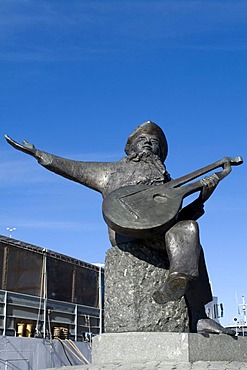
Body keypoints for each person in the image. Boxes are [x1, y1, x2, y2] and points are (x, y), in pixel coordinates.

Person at [5, 121, 234, 334]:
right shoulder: (110, 172)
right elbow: (72, 167)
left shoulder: (167, 182)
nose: (148, 142)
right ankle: (194, 308)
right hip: (125, 233)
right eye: (142, 139)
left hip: (157, 233)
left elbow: (175, 220)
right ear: (131, 147)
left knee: (189, 230)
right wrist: (39, 153)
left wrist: (203, 196)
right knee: (187, 237)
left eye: (154, 142)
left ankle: (193, 308)